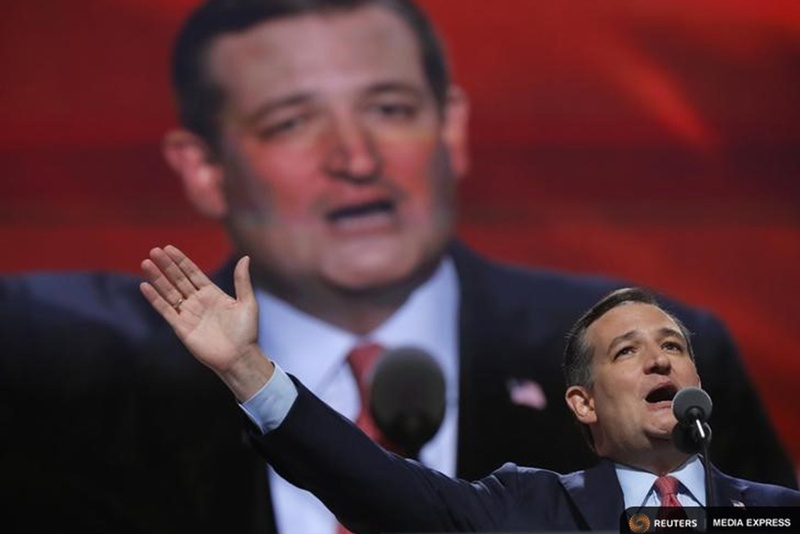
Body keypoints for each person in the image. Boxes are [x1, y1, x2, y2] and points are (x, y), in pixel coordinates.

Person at [0, 0, 795, 532]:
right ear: (204, 167)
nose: (356, 159)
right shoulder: (50, 367)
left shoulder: (760, 503)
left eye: (389, 109)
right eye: (291, 121)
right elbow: (389, 499)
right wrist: (246, 371)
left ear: (450, 130)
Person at [139, 246, 800, 532]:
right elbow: (373, 485)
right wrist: (245, 368)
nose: (660, 361)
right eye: (628, 352)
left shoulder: (775, 514)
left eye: (674, 348)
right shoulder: (524, 508)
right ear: (584, 403)